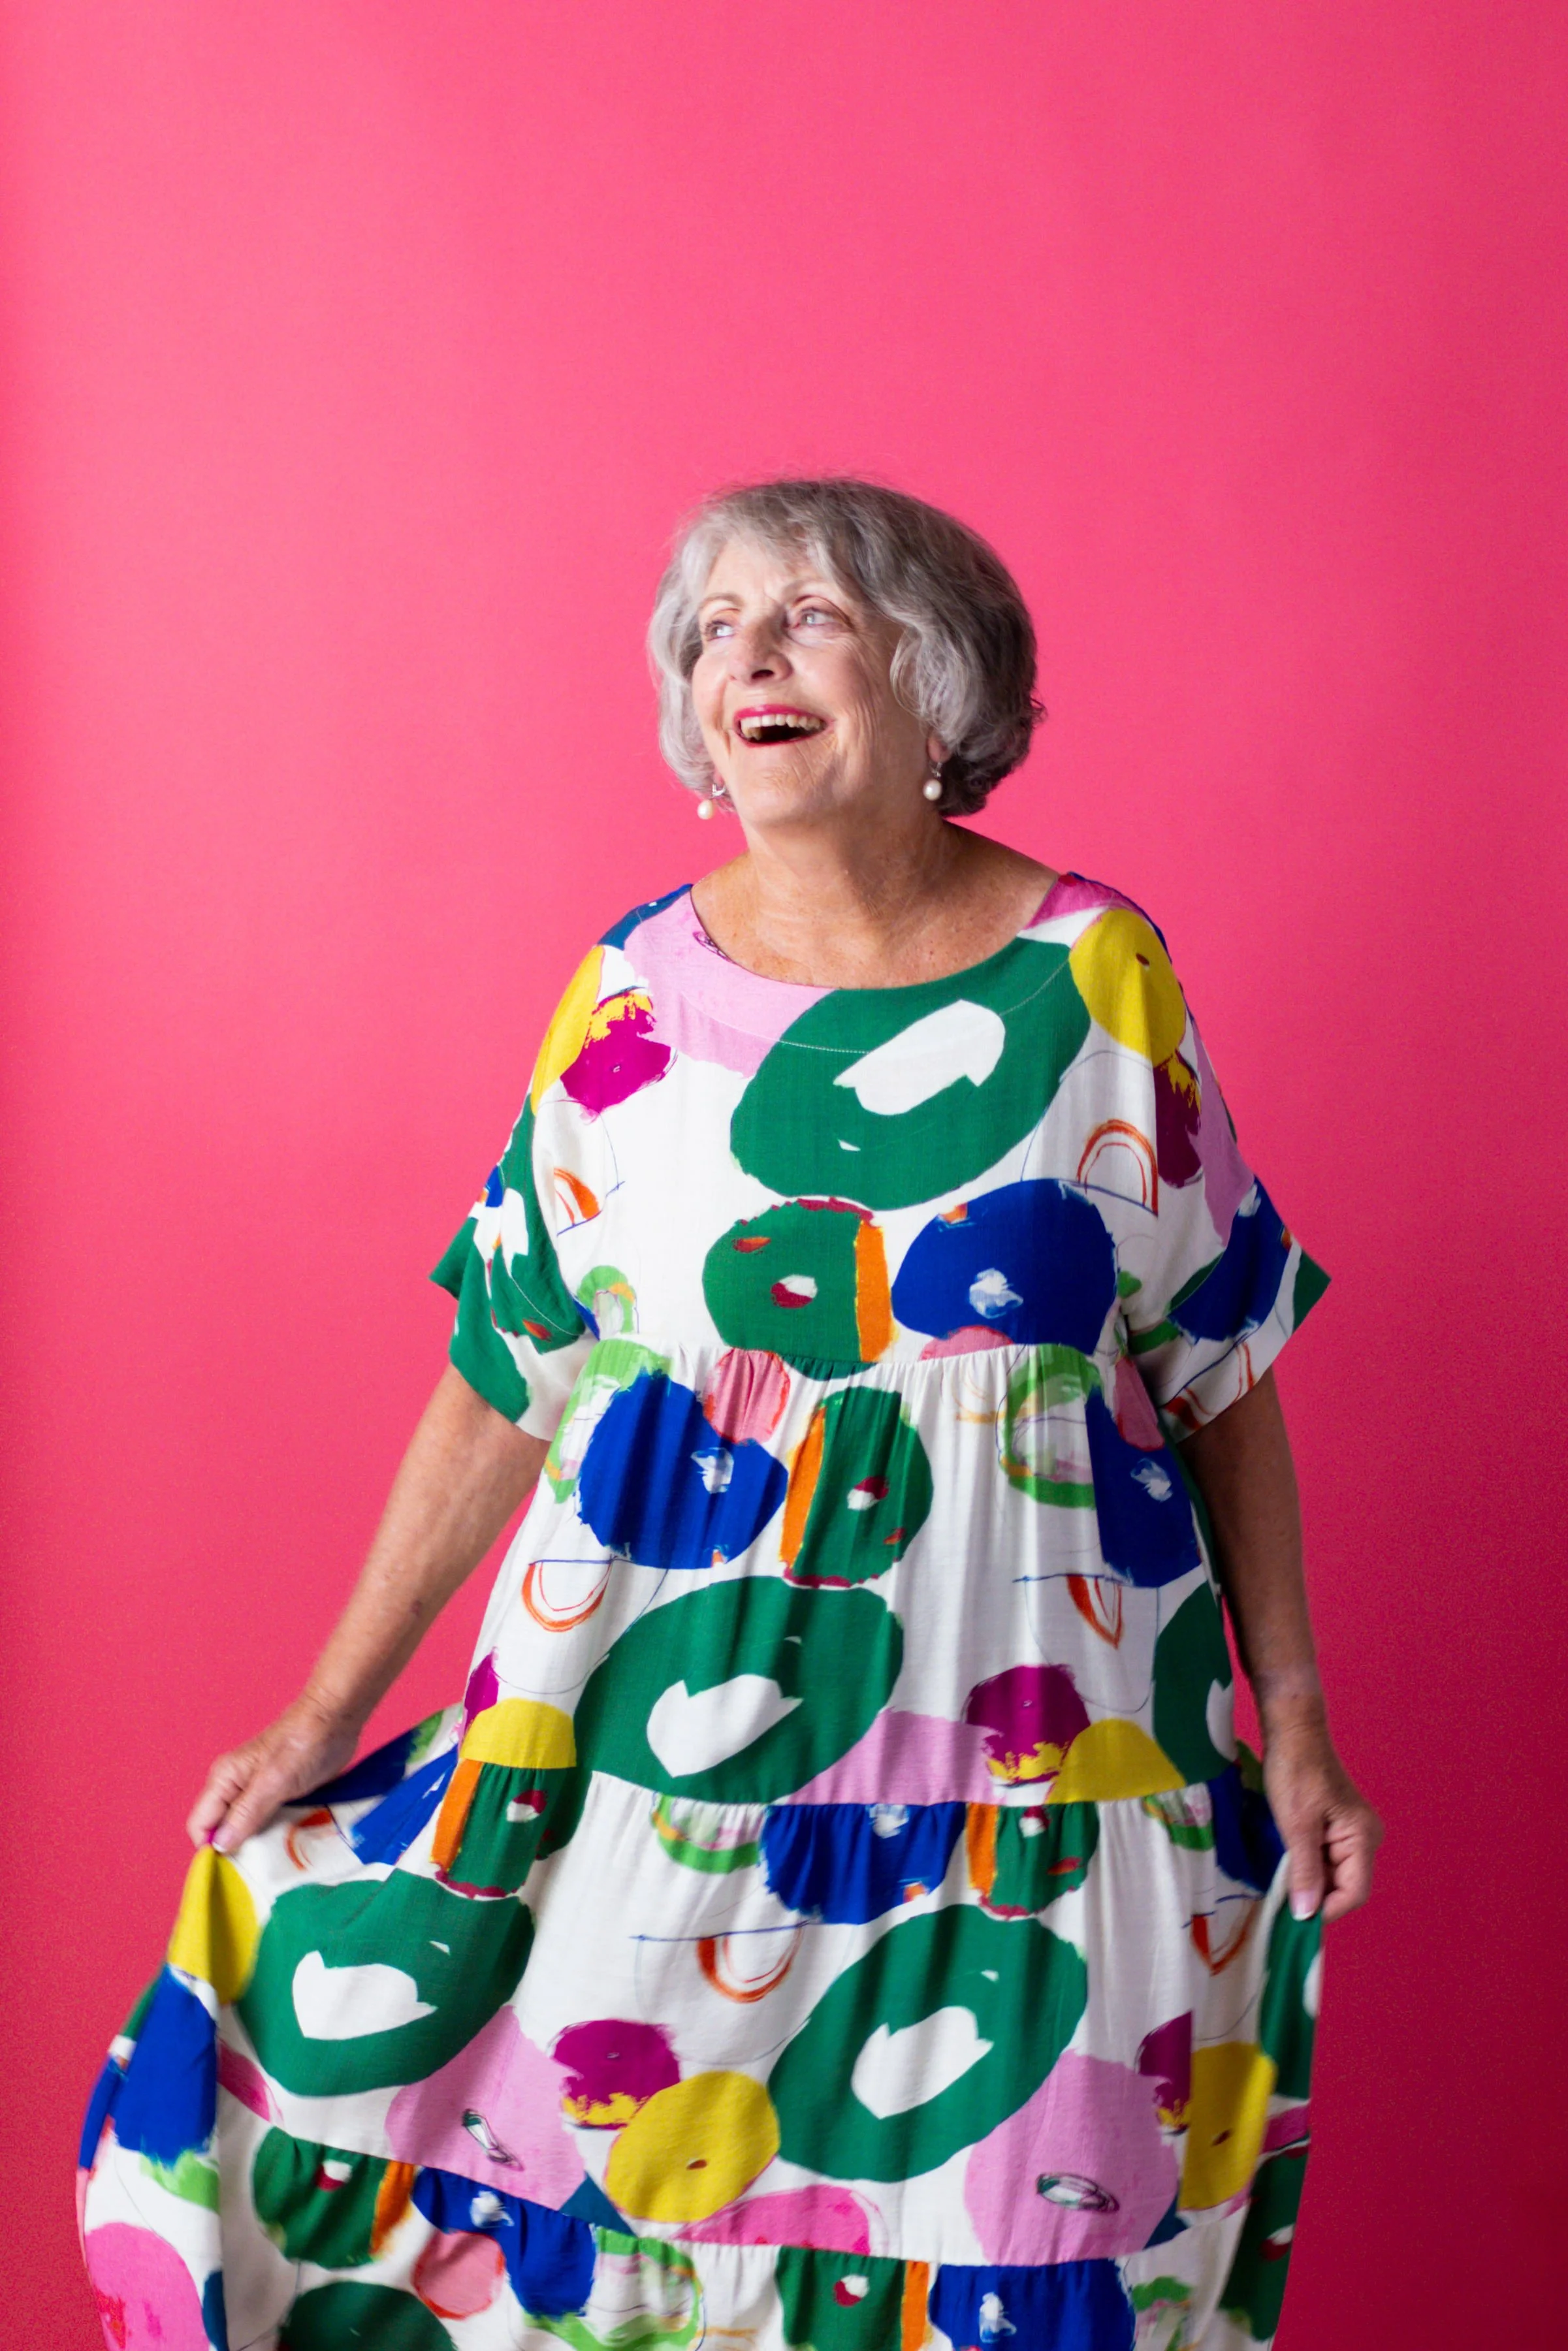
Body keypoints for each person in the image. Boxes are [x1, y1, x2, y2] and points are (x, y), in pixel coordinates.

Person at [80, 478, 1379, 2351]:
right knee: (615, 2265)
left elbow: (1222, 1365)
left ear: (941, 691)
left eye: (811, 618)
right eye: (713, 630)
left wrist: (1302, 1723)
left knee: (1022, 2259)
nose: (745, 657)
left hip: (1026, 1812)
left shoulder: (1099, 980)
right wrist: (326, 1708)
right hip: (659, 1805)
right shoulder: (626, 997)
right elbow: (503, 1374)